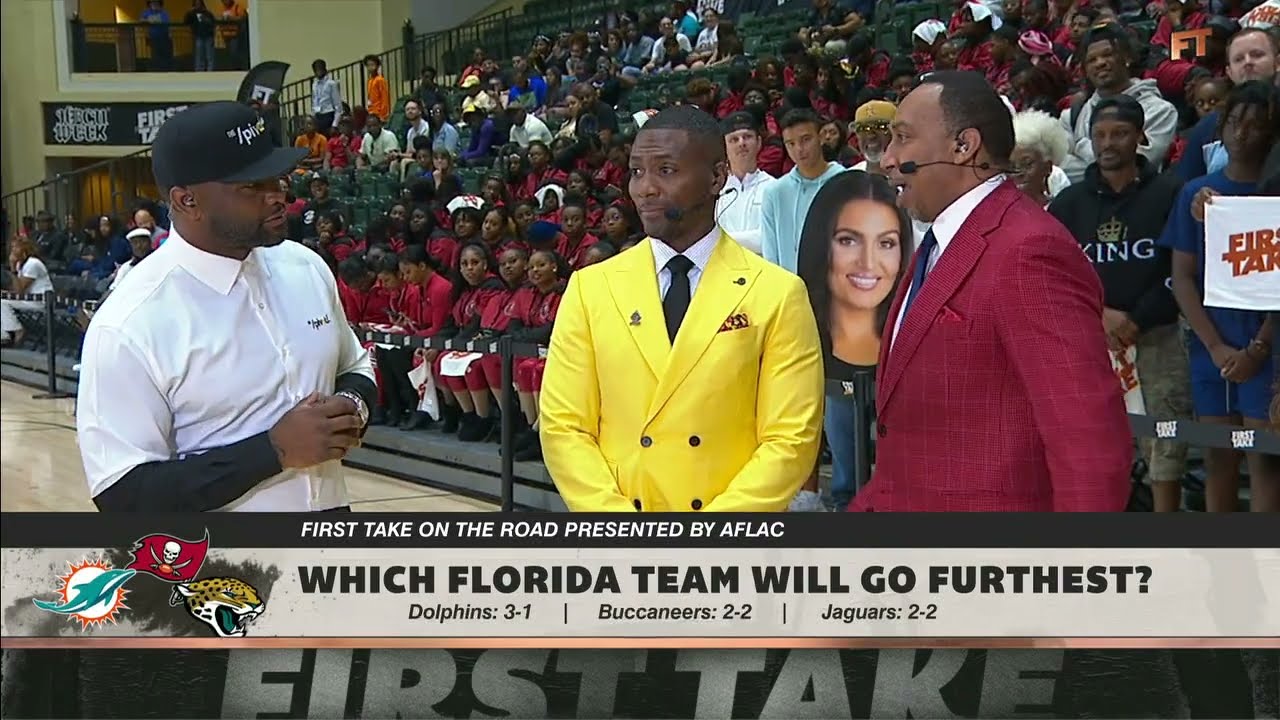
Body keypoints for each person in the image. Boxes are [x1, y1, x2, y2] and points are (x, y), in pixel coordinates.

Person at [76, 102, 376, 512]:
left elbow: (356, 365)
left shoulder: (306, 267)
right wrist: (273, 451)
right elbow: (123, 494)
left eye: (277, 178)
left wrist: (352, 407)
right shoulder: (130, 323)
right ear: (187, 201)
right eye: (252, 186)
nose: (278, 195)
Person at [855, 70, 1133, 512]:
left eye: (902, 138)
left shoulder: (1029, 250)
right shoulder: (940, 240)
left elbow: (1088, 445)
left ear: (963, 146)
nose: (888, 158)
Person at [539, 106, 825, 512]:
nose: (645, 188)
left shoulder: (778, 294)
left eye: (666, 170)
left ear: (717, 178)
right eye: (637, 172)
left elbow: (791, 439)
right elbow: (564, 428)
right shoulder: (590, 289)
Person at [1049, 95, 1190, 512]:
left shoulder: (1170, 193)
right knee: (1094, 444)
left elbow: (1180, 269)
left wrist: (1137, 319)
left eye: (1120, 134)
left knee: (1166, 442)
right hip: (1091, 341)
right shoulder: (1069, 204)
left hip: (1159, 336)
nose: (1108, 143)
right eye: (1100, 135)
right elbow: (1055, 274)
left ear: (1141, 137)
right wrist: (1099, 314)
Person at [1161, 81, 1278, 512]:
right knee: (1218, 458)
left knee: (1265, 460)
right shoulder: (1197, 194)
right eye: (1234, 122)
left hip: (1268, 347)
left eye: (1256, 124)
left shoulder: (1275, 194)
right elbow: (1182, 277)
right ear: (1221, 127)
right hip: (1211, 343)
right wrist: (1213, 346)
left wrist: (1258, 348)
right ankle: (1222, 554)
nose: (1242, 133)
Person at [796, 170, 912, 509]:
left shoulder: (914, 333)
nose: (868, 262)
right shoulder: (799, 330)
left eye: (886, 243)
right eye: (848, 240)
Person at [715, 112, 777, 255]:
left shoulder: (773, 187)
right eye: (734, 139)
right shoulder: (716, 191)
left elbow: (771, 237)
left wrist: (722, 240)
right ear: (724, 147)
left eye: (747, 137)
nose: (741, 143)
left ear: (759, 142)